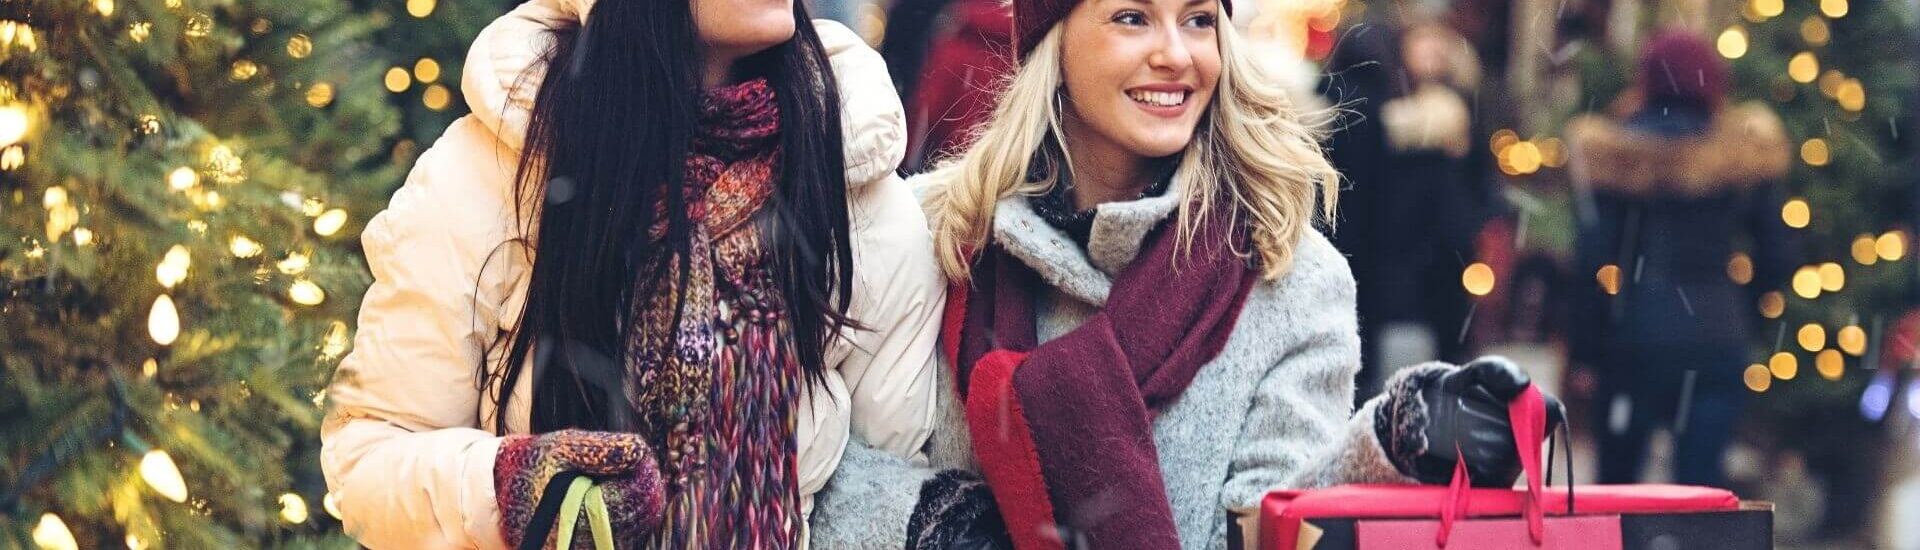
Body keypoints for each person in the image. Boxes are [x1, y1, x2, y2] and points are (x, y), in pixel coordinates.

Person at [810, 0, 1561, 548]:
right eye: (1133, 17)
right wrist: (935, 524)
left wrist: (1394, 440)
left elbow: (1266, 525)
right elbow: (809, 472)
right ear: (1052, 39)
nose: (1177, 53)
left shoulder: (1289, 277)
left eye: (1200, 19)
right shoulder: (937, 236)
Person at [318, 0, 944, 547]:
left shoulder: (859, 198)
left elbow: (894, 473)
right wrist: (507, 490)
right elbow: (370, 456)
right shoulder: (487, 176)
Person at [1566, 30, 1795, 488]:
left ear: (1645, 80)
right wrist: (1744, 311)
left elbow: (1591, 259)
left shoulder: (1614, 154)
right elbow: (1779, 256)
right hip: (1716, 334)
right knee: (1702, 490)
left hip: (1634, 334)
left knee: (1618, 491)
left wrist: (1584, 351)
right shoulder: (1744, 156)